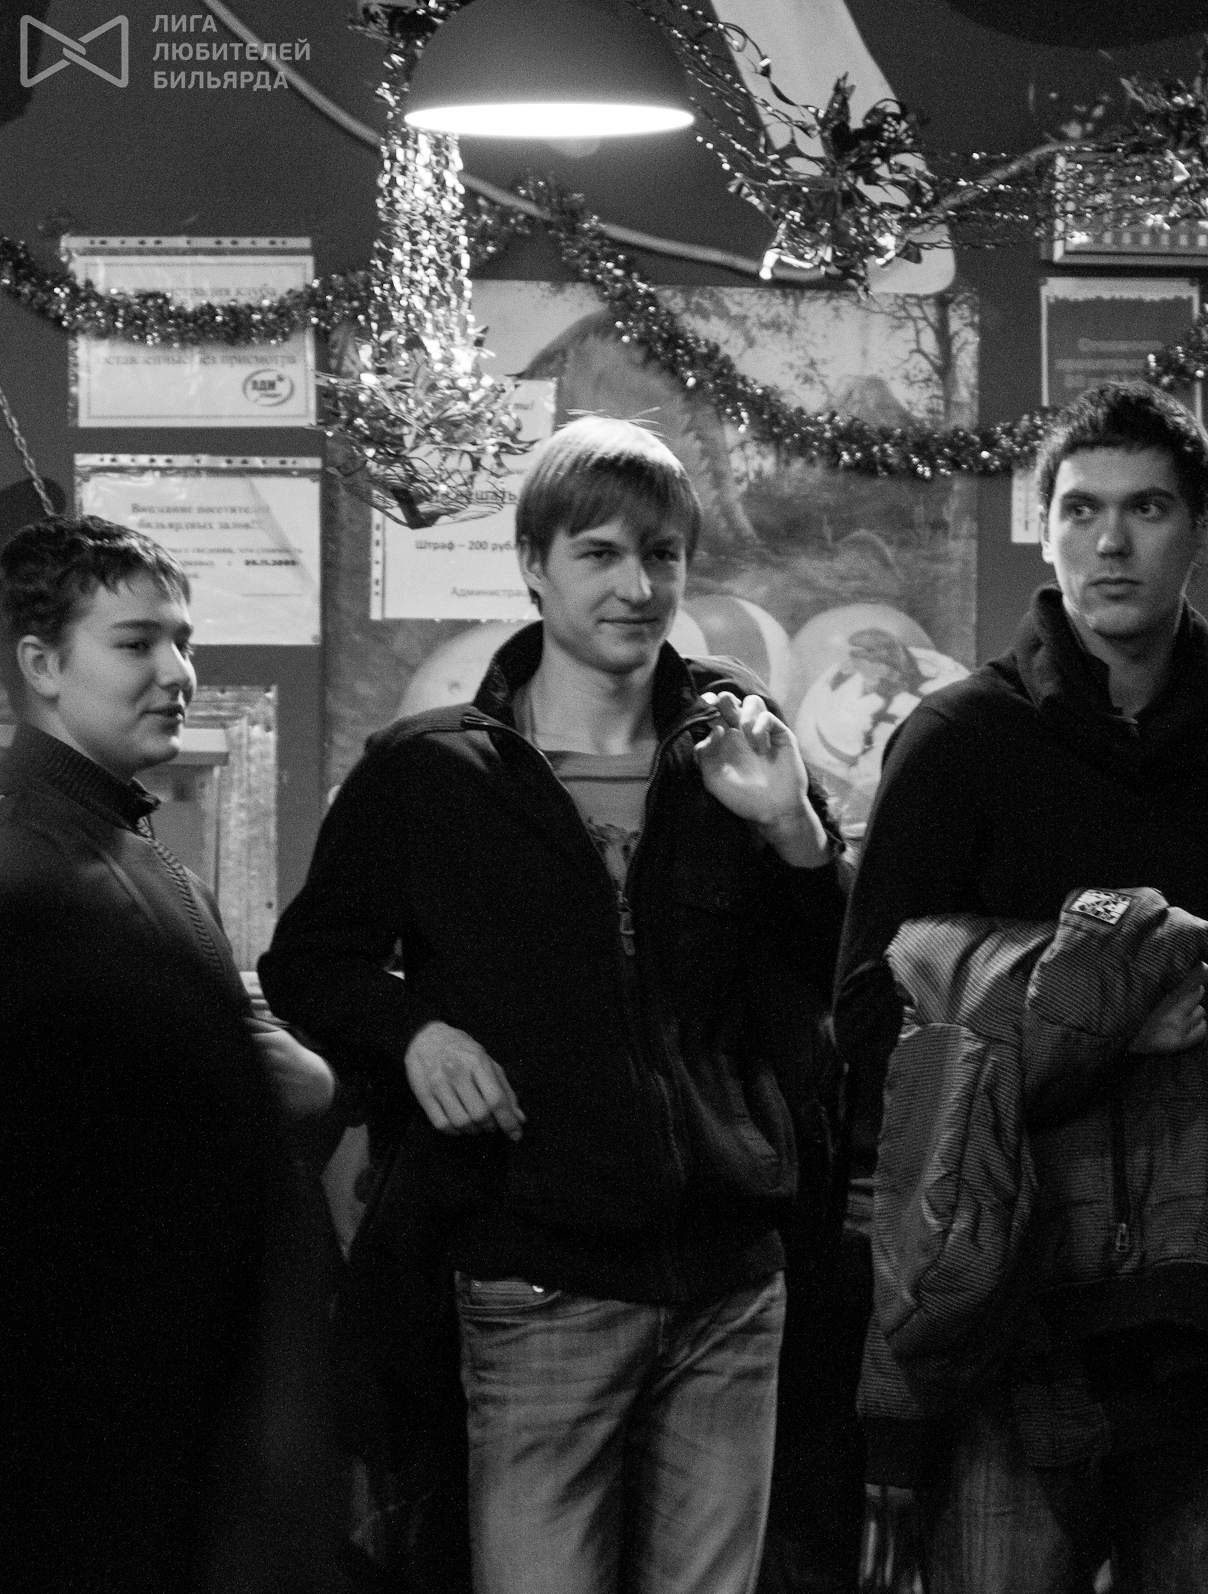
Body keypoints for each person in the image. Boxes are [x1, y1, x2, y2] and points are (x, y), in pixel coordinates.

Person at [260, 417, 849, 1594]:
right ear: (534, 563)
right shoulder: (431, 768)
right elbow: (310, 964)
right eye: (600, 553)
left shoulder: (738, 737)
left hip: (732, 1284)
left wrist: (792, 826)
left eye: (663, 555)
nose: (637, 586)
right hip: (537, 1280)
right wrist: (415, 1031)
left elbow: (821, 970)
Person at [835, 381, 1208, 1593]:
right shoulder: (959, 737)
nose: (1111, 542)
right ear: (1044, 530)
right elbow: (868, 1013)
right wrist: (1093, 1009)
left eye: (1147, 509)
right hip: (1015, 1300)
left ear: (1205, 528)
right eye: (1082, 509)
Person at [0, 515, 334, 1591]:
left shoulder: (145, 859)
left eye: (183, 642)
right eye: (137, 643)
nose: (179, 673)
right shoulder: (27, 871)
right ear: (41, 664)